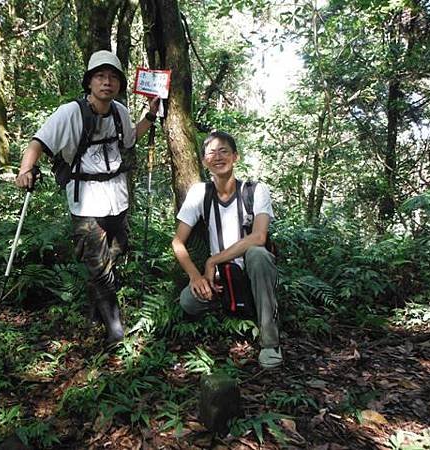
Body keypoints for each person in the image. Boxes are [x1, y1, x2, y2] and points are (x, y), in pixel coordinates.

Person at [16, 50, 159, 347]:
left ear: (119, 83)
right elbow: (37, 143)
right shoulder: (71, 113)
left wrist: (150, 115)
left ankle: (95, 311)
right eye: (100, 77)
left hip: (117, 200)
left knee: (115, 254)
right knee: (98, 265)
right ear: (90, 82)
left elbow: (130, 138)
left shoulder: (120, 111)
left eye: (112, 78)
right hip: (86, 204)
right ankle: (115, 328)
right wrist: (25, 168)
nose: (107, 82)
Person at [171, 131, 282, 369]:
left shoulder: (255, 190)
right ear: (204, 161)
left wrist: (211, 261)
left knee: (258, 254)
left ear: (235, 157)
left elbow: (259, 236)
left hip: (251, 273)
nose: (218, 156)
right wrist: (196, 276)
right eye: (211, 152)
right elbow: (177, 242)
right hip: (222, 278)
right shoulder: (200, 193)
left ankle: (270, 342)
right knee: (188, 301)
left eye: (224, 151)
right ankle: (231, 306)